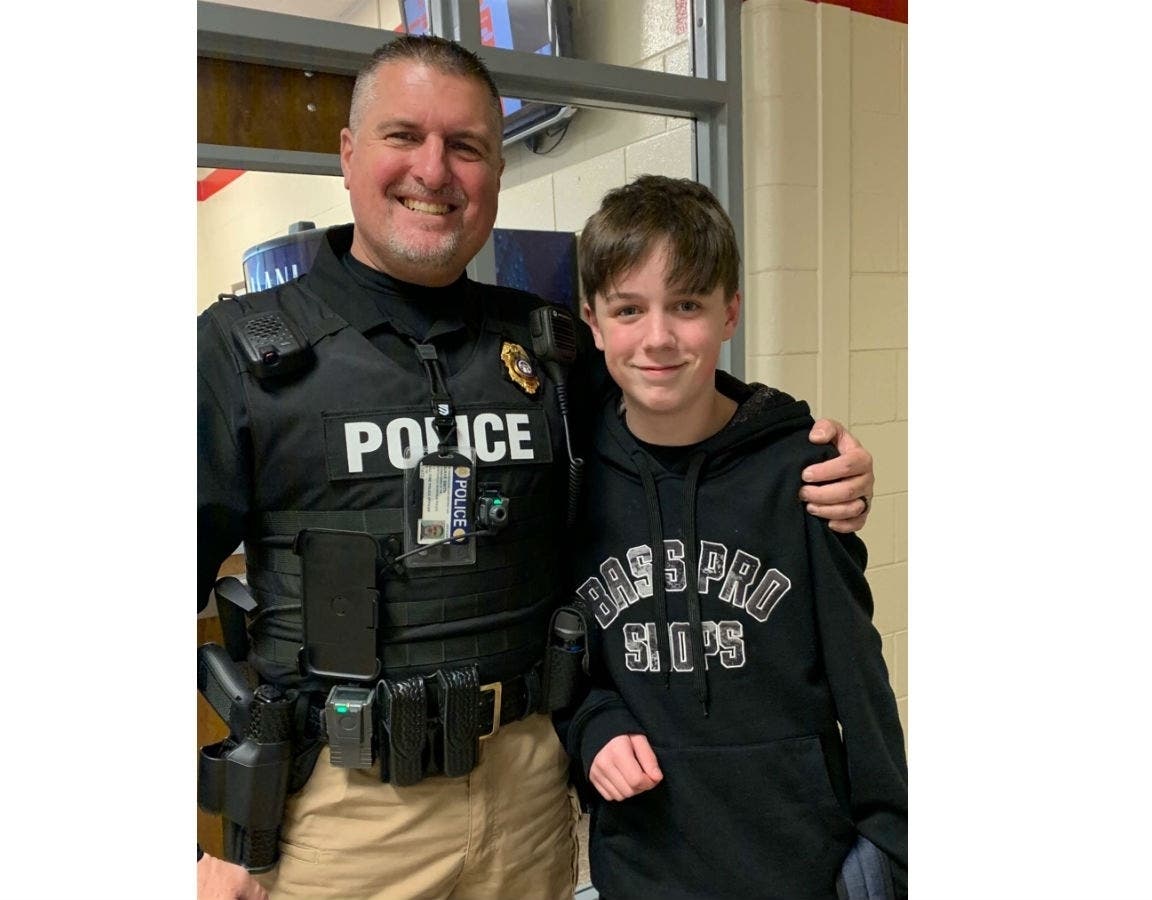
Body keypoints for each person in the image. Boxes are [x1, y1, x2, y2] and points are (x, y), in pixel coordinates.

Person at [197, 35, 877, 900]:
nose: (434, 171)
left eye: (467, 146)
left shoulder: (545, 345)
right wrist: (206, 848)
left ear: (496, 172)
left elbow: (674, 393)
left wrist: (807, 447)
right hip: (346, 815)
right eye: (404, 136)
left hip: (529, 789)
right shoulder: (241, 352)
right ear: (348, 153)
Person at [558, 175, 907, 900]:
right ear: (592, 323)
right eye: (630, 309)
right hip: (645, 860)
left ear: (730, 313)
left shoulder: (804, 470)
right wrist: (593, 728)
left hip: (800, 859)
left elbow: (857, 664)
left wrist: (893, 838)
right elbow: (566, 660)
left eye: (687, 305)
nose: (658, 338)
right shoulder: (570, 481)